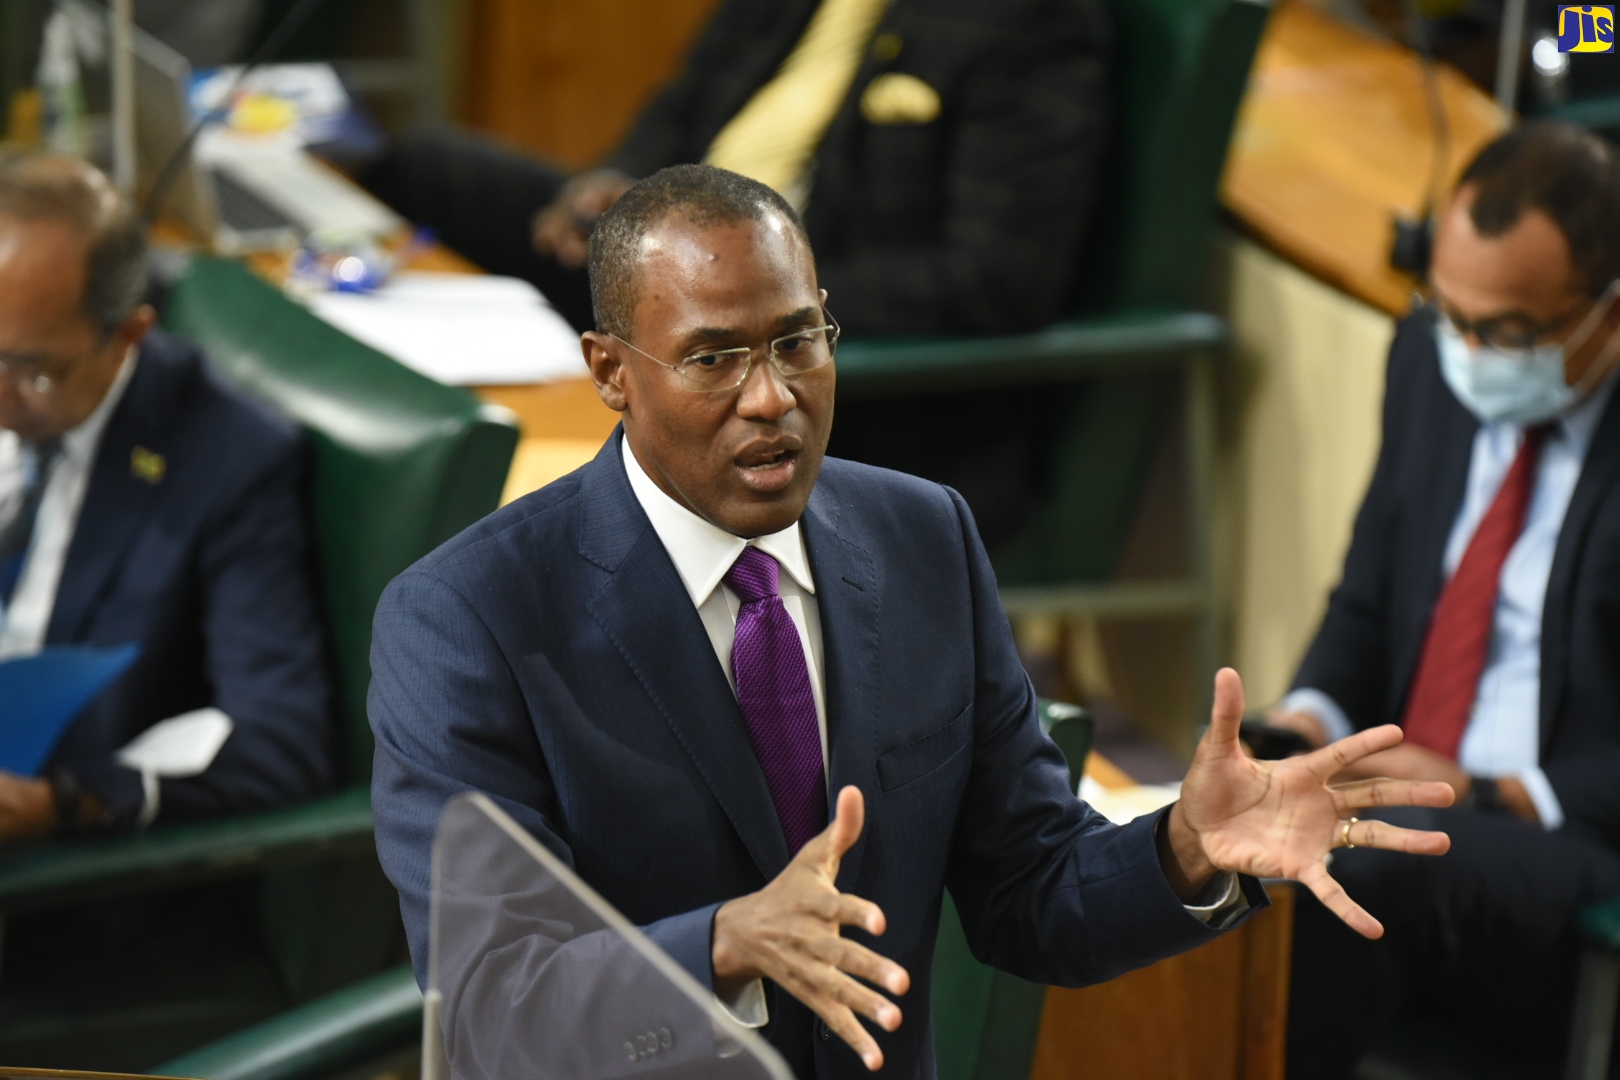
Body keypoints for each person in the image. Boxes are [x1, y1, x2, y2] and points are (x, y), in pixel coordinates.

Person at [369, 164, 1455, 1079]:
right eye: (714, 358)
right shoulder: (470, 620)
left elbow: (1028, 890)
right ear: (611, 371)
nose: (773, 397)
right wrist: (728, 945)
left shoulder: (922, 538)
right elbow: (487, 1003)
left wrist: (1182, 848)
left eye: (799, 341)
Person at [1266, 122, 1620, 1077]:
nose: (1466, 348)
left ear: (1608, 315)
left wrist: (1491, 791)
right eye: (1447, 310)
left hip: (1572, 833)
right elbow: (1369, 596)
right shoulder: (1427, 358)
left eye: (1503, 333)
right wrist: (1302, 727)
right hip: (1423, 790)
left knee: (1369, 868)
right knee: (1221, 810)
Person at [360, 0, 1112, 338]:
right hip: (675, 259)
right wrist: (616, 176)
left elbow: (998, 278)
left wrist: (765, 291)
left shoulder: (1034, 17)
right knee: (426, 165)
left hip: (804, 337)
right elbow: (684, 102)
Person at [0, 154, 333, 839]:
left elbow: (282, 738)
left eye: (29, 370)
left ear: (128, 334)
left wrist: (65, 803)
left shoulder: (229, 462)